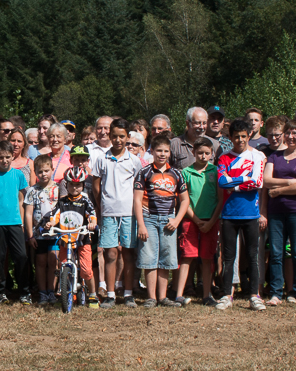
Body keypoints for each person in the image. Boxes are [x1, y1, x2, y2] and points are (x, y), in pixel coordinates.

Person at [215, 119, 267, 311]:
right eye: (236, 137)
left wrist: (233, 183)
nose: (240, 140)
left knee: (252, 256)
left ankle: (254, 295)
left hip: (251, 214)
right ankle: (227, 295)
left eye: (243, 136)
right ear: (230, 137)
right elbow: (221, 181)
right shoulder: (224, 158)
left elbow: (257, 182)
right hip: (229, 214)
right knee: (228, 258)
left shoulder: (257, 156)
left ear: (249, 136)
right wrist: (244, 179)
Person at [263, 120, 296, 307]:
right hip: (276, 212)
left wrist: (278, 192)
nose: (291, 137)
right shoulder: (274, 157)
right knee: (276, 253)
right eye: (289, 133)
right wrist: (288, 182)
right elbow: (266, 180)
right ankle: (276, 292)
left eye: (295, 133)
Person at [92, 118, 143, 308]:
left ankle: (128, 293)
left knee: (129, 253)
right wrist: (101, 204)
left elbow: (139, 187)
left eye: (122, 136)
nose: (118, 140)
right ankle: (111, 294)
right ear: (110, 136)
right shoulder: (101, 158)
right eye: (114, 136)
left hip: (129, 213)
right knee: (110, 253)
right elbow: (96, 185)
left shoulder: (135, 160)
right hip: (108, 213)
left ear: (127, 137)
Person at [134, 134, 189, 308]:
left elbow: (185, 200)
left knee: (166, 258)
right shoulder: (144, 172)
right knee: (149, 258)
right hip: (148, 219)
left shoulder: (176, 173)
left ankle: (163, 297)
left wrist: (177, 220)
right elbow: (136, 200)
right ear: (152, 151)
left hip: (168, 221)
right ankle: (151, 297)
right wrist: (141, 224)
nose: (162, 154)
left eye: (166, 151)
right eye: (159, 150)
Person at [42, 166, 99, 309]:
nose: (75, 187)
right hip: (65, 239)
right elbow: (55, 216)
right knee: (63, 266)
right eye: (72, 184)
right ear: (66, 185)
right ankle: (68, 292)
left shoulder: (85, 201)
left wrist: (92, 223)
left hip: (82, 238)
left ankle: (92, 294)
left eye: (78, 184)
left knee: (86, 270)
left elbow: (92, 215)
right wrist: (50, 223)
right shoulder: (62, 202)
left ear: (83, 185)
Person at [0, 141, 30, 305]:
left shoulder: (18, 175)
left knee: (21, 256)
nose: (4, 160)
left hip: (15, 222)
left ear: (12, 156)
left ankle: (24, 291)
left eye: (8, 157)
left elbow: (21, 200)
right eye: (1, 157)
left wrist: (22, 222)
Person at [177, 137, 223, 306]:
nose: (203, 156)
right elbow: (184, 200)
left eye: (207, 153)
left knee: (207, 258)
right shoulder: (185, 172)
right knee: (187, 257)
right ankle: (179, 295)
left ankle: (206, 295)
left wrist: (211, 221)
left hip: (211, 221)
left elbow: (220, 199)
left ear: (212, 154)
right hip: (191, 221)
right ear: (193, 153)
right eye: (200, 153)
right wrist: (195, 219)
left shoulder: (216, 171)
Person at [24, 155, 58, 305]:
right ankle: (42, 292)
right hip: (39, 233)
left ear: (52, 169)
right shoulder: (32, 190)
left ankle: (52, 290)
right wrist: (30, 235)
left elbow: (62, 210)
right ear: (35, 172)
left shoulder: (58, 189)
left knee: (53, 261)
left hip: (56, 232)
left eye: (46, 170)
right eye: (40, 171)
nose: (43, 174)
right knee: (40, 261)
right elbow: (28, 213)